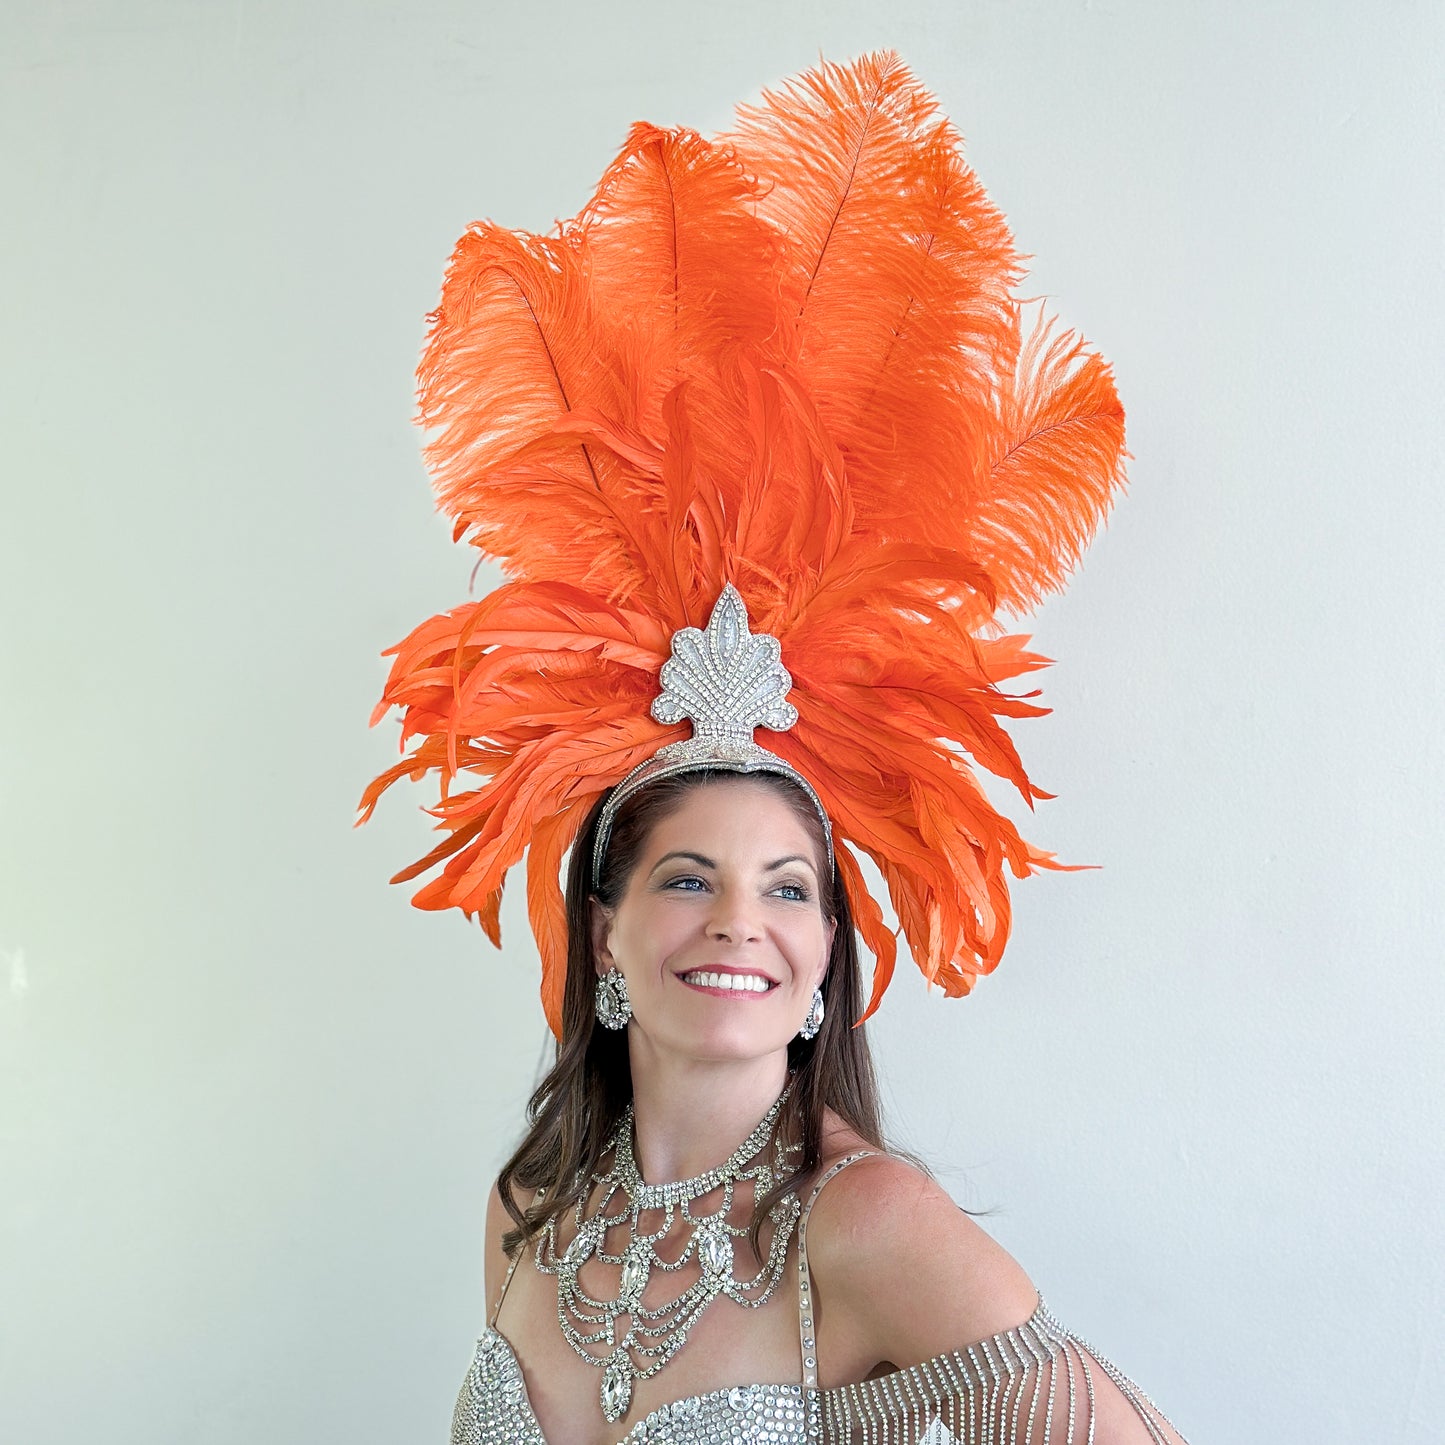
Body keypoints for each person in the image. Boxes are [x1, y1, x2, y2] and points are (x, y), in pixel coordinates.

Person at [361, 50, 1191, 1445]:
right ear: (605, 930)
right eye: (686, 876)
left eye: (789, 884)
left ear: (822, 962)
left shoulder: (867, 1224)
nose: (741, 918)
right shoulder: (531, 1208)